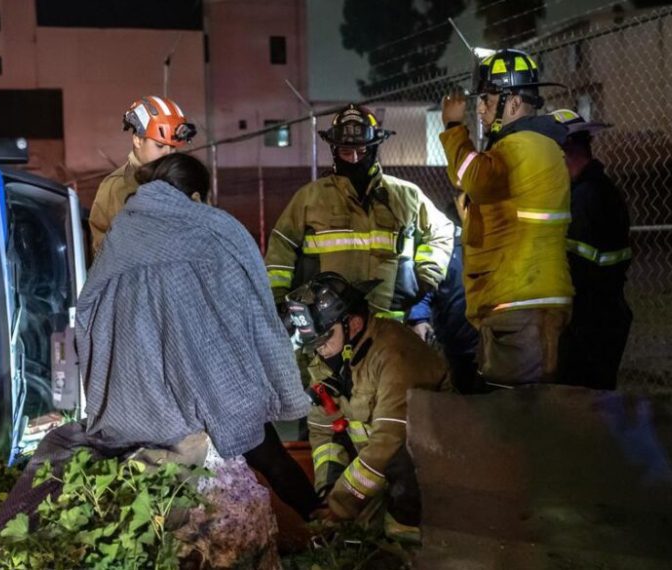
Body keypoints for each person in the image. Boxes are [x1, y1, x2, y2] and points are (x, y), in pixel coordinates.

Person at [74, 153, 319, 521]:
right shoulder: (210, 229)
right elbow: (244, 302)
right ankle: (322, 522)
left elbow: (90, 306)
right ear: (195, 196)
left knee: (146, 487)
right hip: (212, 377)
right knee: (270, 457)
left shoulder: (123, 232)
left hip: (137, 388)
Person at [438, 48, 573, 386]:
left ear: (513, 103)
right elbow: (498, 207)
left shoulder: (524, 145)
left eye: (487, 98)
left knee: (518, 414)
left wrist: (454, 126)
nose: (479, 109)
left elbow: (470, 177)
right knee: (515, 409)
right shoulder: (526, 146)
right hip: (519, 300)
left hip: (524, 303)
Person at [286, 272, 450, 540]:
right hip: (380, 471)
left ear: (354, 323)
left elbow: (391, 440)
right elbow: (324, 431)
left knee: (403, 463)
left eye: (325, 339)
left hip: (430, 476)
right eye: (314, 344)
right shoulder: (330, 357)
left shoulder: (396, 355)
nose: (321, 350)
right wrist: (328, 491)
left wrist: (342, 505)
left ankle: (407, 543)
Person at [265, 103, 453, 321]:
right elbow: (281, 246)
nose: (354, 159)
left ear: (373, 149)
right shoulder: (310, 198)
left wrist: (425, 277)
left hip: (388, 325)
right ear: (335, 151)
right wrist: (278, 300)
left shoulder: (405, 195)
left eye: (361, 151)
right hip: (327, 326)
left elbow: (443, 230)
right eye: (346, 152)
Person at [549, 108, 633, 390]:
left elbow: (580, 267)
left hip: (590, 321)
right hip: (601, 315)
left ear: (566, 149)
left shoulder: (587, 198)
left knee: (580, 402)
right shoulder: (592, 191)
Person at [88, 95, 196, 253]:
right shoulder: (115, 187)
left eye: (173, 148)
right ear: (138, 140)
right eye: (159, 146)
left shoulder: (188, 181)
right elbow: (101, 249)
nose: (168, 154)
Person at [406, 193, 481, 393]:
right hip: (454, 344)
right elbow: (427, 284)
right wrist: (419, 319)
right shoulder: (445, 245)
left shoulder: (493, 244)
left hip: (487, 343)